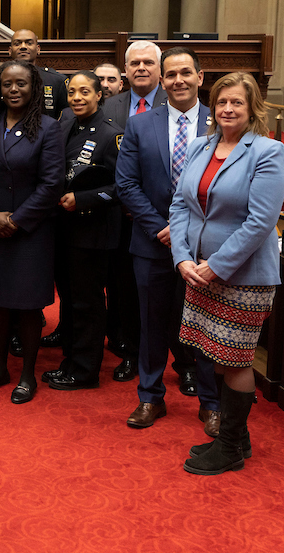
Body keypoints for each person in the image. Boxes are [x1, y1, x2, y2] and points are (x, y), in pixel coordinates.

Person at [171, 71, 284, 475]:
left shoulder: (268, 152)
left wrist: (217, 266)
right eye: (221, 102)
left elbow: (261, 222)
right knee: (216, 355)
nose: (227, 109)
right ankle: (238, 437)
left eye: (237, 102)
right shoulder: (200, 146)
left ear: (252, 108)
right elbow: (180, 205)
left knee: (235, 359)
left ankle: (229, 449)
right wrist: (182, 258)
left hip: (244, 276)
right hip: (199, 270)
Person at [115, 46, 220, 435]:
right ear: (162, 80)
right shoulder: (141, 124)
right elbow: (126, 183)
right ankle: (150, 396)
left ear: (200, 77)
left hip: (205, 247)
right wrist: (162, 227)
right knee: (151, 323)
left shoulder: (219, 122)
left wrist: (188, 231)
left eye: (185, 73)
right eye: (171, 74)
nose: (178, 80)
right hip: (153, 242)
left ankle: (211, 403)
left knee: (204, 326)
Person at [0, 60, 64, 404]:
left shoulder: (49, 128)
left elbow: (51, 184)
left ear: (33, 88)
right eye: (7, 84)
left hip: (30, 231)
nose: (14, 89)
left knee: (27, 305)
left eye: (21, 83)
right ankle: (0, 368)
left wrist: (16, 220)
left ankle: (27, 375)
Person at [45, 71, 122, 391]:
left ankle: (86, 370)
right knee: (70, 299)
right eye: (72, 92)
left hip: (92, 231)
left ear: (99, 95)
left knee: (87, 303)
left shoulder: (111, 134)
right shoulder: (65, 124)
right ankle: (71, 360)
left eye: (84, 92)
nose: (77, 98)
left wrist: (84, 199)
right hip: (63, 229)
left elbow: (123, 187)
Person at [98, 40, 170, 381]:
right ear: (125, 71)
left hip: (165, 218)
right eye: (134, 63)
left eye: (148, 62)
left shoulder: (175, 103)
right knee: (124, 288)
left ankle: (182, 361)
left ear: (160, 70)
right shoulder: (110, 105)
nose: (141, 68)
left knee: (173, 293)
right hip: (118, 214)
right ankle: (128, 350)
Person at [7, 29, 68, 119]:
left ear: (38, 49)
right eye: (17, 43)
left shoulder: (56, 80)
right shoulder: (1, 79)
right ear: (10, 50)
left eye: (29, 43)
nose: (23, 47)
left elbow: (66, 117)